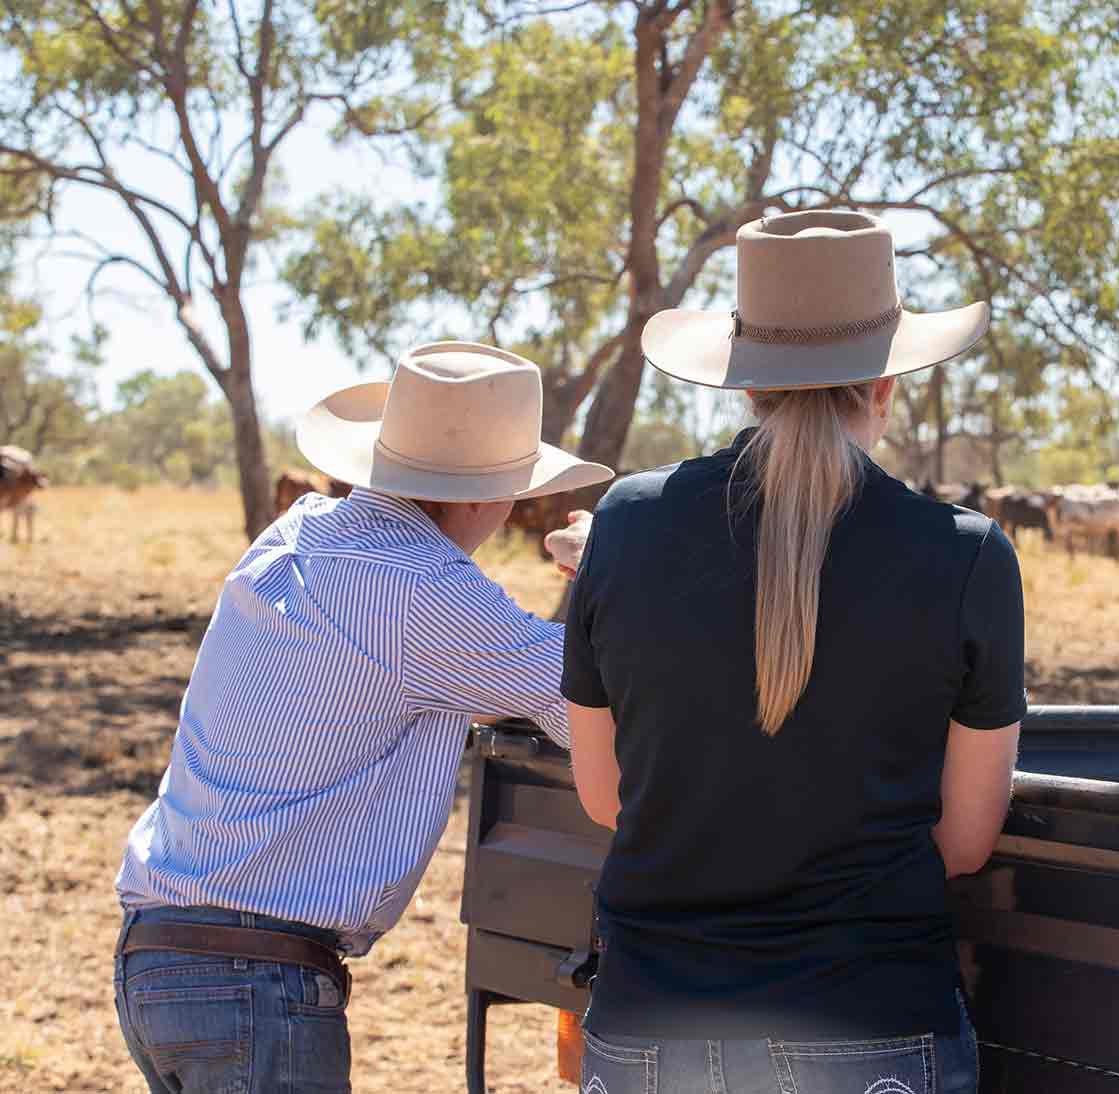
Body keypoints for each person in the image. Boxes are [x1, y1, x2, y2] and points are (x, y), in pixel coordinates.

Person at [562, 210, 1025, 1094]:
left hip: (651, 1025)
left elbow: (603, 793)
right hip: (871, 1023)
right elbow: (964, 843)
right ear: (886, 385)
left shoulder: (623, 523)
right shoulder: (966, 554)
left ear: (747, 386)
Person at [112, 341, 612, 1094]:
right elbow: (588, 697)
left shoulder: (298, 531)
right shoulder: (422, 588)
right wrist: (613, 569)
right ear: (485, 495)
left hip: (161, 954)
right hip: (257, 979)